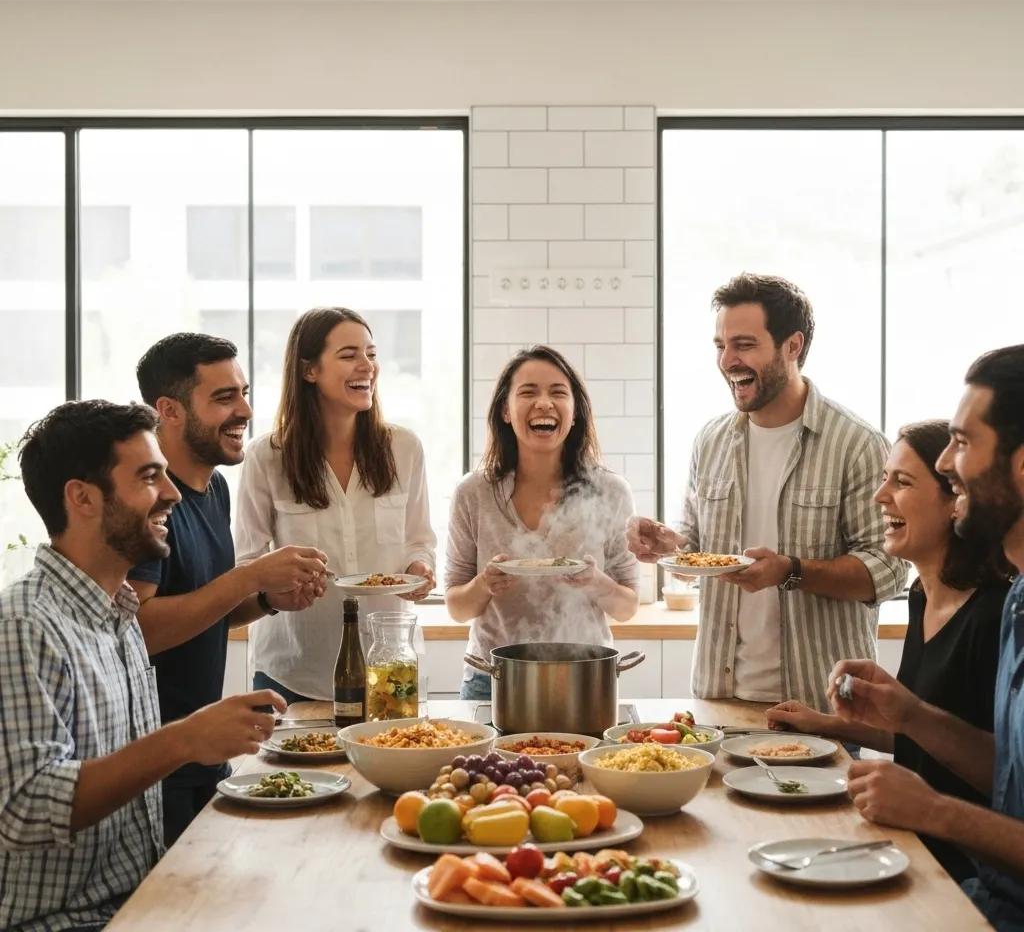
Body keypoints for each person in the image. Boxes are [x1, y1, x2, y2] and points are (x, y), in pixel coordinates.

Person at [0, 400, 286, 932]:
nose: (173, 493)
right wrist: (183, 740)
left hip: (139, 903)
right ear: (82, 498)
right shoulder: (23, 625)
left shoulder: (121, 614)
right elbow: (26, 809)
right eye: (149, 477)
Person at [628, 273, 907, 709]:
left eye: (744, 344)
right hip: (720, 698)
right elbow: (697, 551)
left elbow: (889, 570)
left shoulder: (856, 443)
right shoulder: (711, 441)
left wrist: (790, 571)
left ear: (792, 347)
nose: (727, 360)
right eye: (720, 346)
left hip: (821, 705)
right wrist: (670, 547)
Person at [765, 419, 1009, 882]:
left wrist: (930, 801)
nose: (880, 496)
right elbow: (929, 736)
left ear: (955, 500)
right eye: (883, 478)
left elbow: (999, 768)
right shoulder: (923, 594)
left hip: (965, 871)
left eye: (902, 481)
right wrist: (826, 725)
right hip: (910, 846)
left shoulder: (993, 615)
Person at [832, 345, 1024, 930]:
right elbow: (1009, 775)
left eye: (963, 444)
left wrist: (936, 811)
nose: (945, 463)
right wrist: (911, 714)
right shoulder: (1019, 600)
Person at [128, 333, 327, 846]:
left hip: (203, 752)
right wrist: (250, 577)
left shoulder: (214, 486)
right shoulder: (150, 500)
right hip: (153, 761)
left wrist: (264, 600)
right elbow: (138, 631)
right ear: (168, 410)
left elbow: (205, 606)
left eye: (243, 392)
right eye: (224, 398)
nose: (245, 410)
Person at [235, 307, 436, 702]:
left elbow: (419, 540)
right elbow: (247, 564)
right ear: (309, 370)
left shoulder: (404, 448)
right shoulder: (267, 456)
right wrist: (279, 584)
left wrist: (419, 568)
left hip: (389, 667)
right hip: (294, 673)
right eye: (349, 355)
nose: (368, 366)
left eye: (372, 354)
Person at [446, 345, 639, 700]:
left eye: (558, 393)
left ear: (576, 411)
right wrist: (485, 583)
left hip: (583, 679)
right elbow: (457, 607)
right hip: (491, 681)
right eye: (528, 392)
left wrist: (595, 582)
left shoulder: (611, 491)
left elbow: (627, 607)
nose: (544, 404)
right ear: (506, 410)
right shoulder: (473, 492)